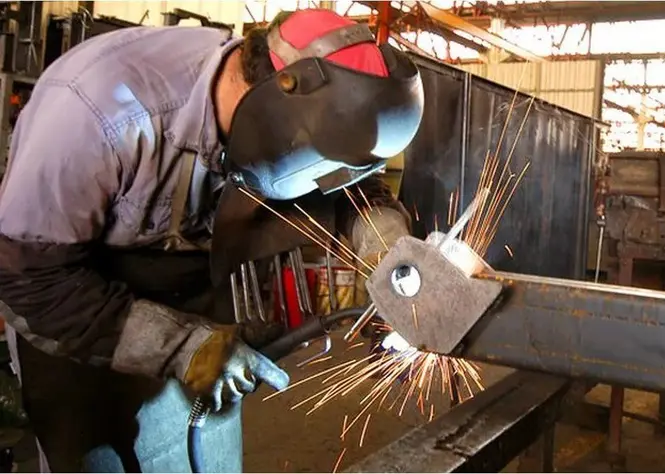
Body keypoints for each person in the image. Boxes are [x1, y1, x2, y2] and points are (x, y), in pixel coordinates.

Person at [0, 8, 422, 473]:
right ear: (277, 112)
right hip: (85, 330)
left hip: (203, 318)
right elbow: (28, 280)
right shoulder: (99, 115)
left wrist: (390, 253)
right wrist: (179, 346)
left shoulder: (290, 119)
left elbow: (352, 187)